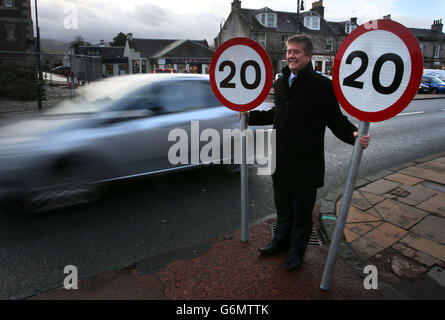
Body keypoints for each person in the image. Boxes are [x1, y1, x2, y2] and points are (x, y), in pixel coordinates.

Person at [245, 34, 370, 271]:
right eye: (289, 51)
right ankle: (280, 243)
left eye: (296, 52)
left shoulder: (322, 85)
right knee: (283, 208)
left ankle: (297, 253)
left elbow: (336, 120)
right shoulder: (281, 81)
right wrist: (252, 116)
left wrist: (354, 136)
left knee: (302, 214)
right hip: (279, 160)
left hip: (305, 164)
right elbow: (277, 113)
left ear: (309, 56)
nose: (291, 55)